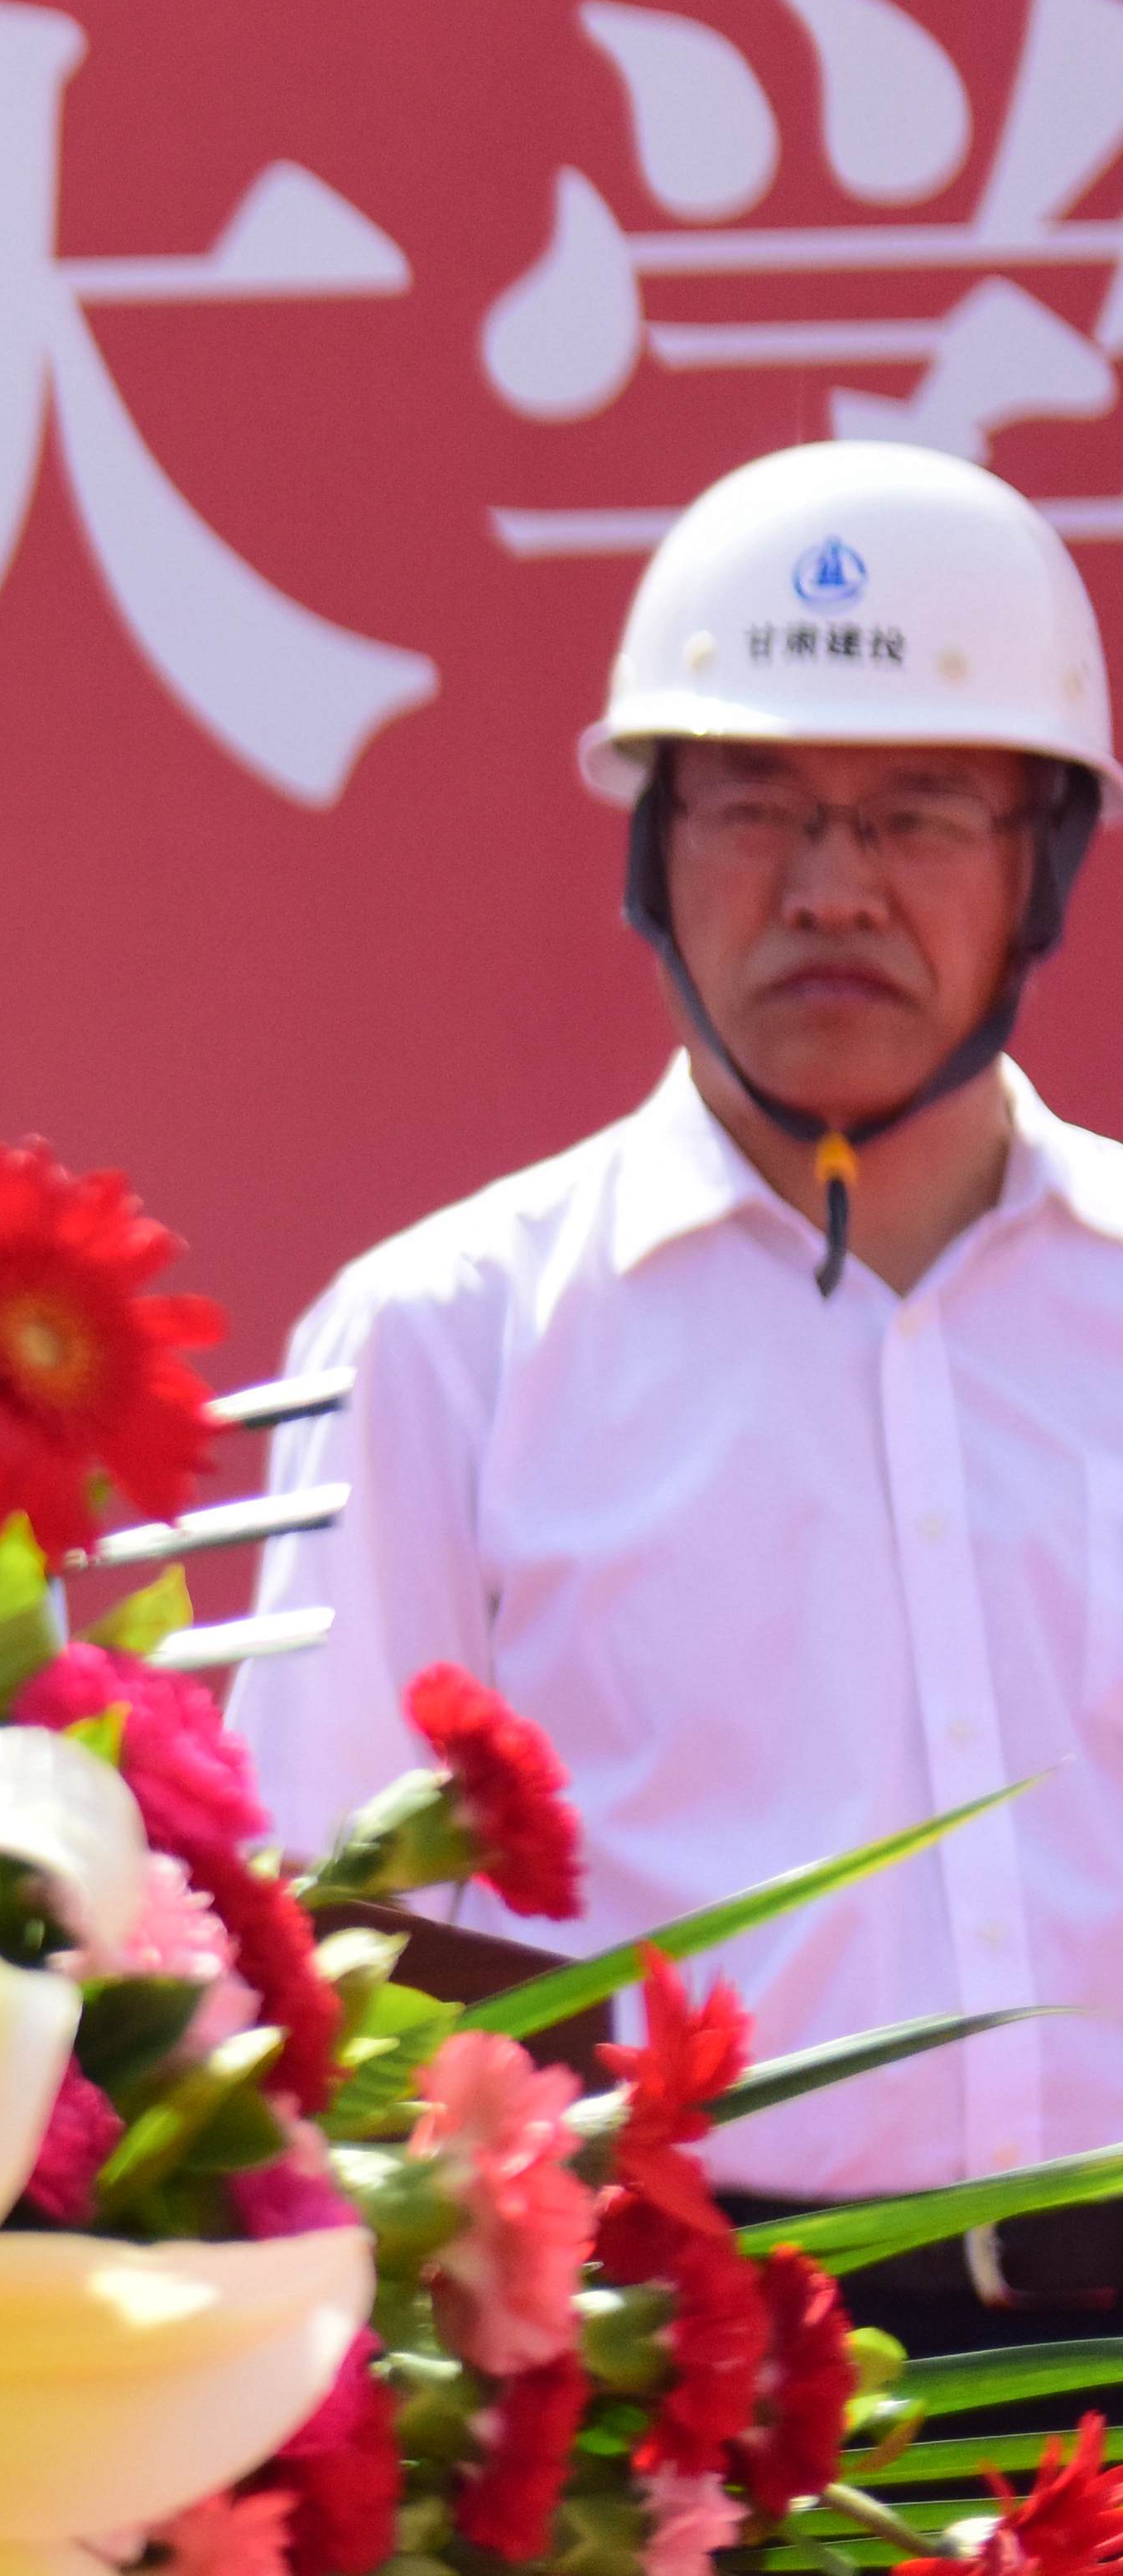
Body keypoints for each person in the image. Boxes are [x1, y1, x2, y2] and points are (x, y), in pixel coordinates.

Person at [241, 439, 1121, 2355]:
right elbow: (309, 1953)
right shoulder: (440, 1341)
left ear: (1044, 859)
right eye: (753, 809)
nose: (830, 887)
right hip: (683, 2405)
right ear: (650, 851)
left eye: (916, 814)